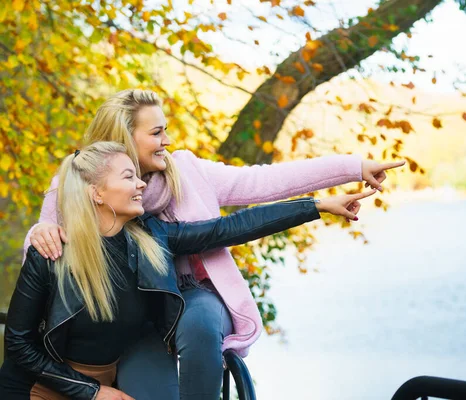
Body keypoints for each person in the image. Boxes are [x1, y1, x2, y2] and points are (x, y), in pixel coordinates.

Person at [25, 89, 405, 399]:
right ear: (126, 137)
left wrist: (352, 168)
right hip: (135, 318)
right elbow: (46, 240)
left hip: (189, 297)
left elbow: (260, 185)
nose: (167, 140)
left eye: (166, 130)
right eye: (156, 132)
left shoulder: (185, 172)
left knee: (200, 322)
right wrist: (38, 233)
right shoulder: (79, 180)